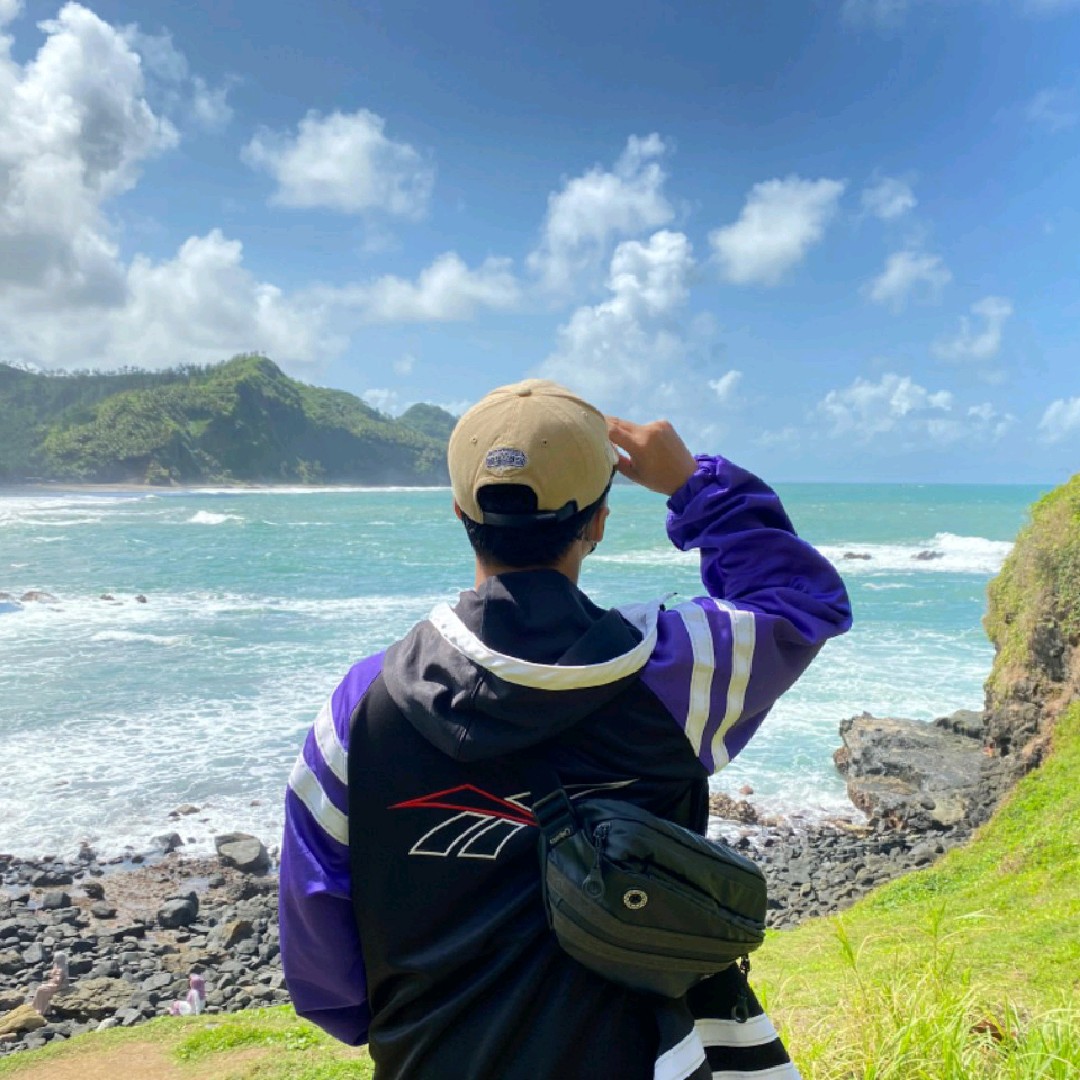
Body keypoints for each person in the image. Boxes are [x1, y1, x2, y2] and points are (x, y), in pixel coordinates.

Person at [279, 379, 852, 1080]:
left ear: (460, 511)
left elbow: (322, 952)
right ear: (599, 522)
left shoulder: (362, 705)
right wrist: (693, 485)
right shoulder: (673, 675)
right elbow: (799, 601)